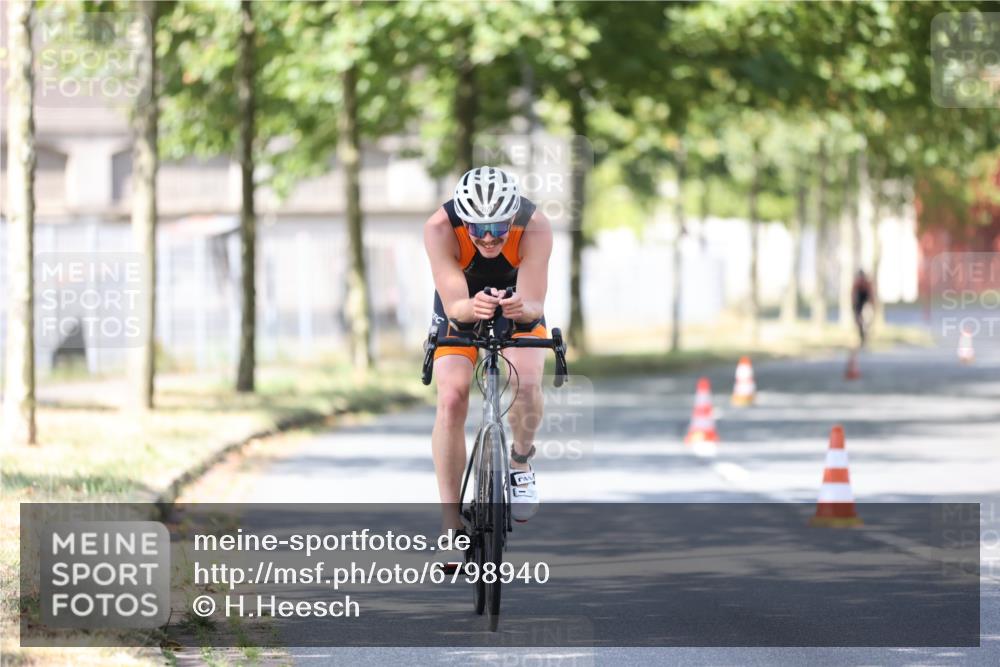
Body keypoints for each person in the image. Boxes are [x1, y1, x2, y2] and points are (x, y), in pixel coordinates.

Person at [423, 166, 553, 533]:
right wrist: (472, 307)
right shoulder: (439, 228)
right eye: (479, 230)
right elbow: (455, 306)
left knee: (526, 383)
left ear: (513, 217)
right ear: (464, 222)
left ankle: (520, 463)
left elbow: (534, 303)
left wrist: (520, 308)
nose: (490, 239)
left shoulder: (535, 225)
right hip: (463, 303)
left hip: (518, 301)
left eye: (499, 228)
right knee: (451, 397)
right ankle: (451, 523)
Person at [851, 269, 874, 346]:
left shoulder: (867, 284)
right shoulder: (856, 284)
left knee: (866, 318)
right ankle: (862, 335)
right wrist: (855, 309)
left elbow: (871, 295)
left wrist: (871, 305)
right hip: (859, 301)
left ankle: (865, 331)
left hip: (865, 300)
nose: (861, 279)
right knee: (859, 320)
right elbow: (853, 296)